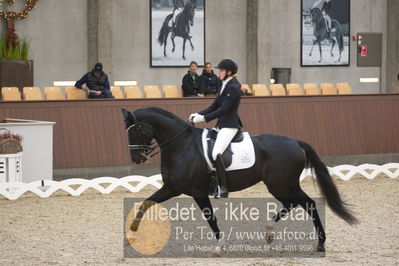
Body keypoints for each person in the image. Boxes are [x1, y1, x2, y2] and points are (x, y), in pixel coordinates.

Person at [189, 59, 243, 198]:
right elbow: (214, 106)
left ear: (229, 72)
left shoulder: (233, 87)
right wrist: (199, 114)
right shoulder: (224, 84)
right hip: (221, 124)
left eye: (222, 70)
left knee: (216, 152)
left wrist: (204, 119)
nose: (219, 72)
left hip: (229, 125)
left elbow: (224, 110)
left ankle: (223, 188)